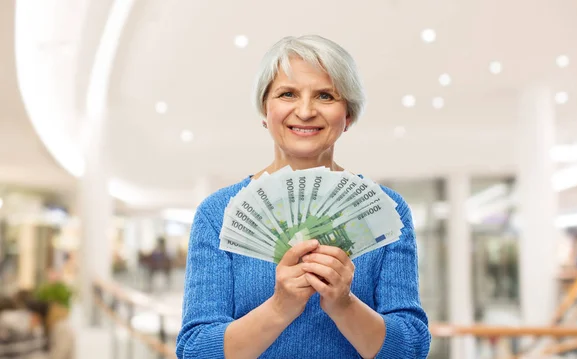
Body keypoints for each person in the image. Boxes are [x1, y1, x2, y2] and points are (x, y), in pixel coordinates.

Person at [176, 35, 431, 359]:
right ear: (264, 110)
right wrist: (280, 307)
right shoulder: (218, 214)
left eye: (325, 95)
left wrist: (343, 304)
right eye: (288, 94)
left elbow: (410, 349)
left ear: (348, 115)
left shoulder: (388, 213)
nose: (306, 111)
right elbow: (196, 351)